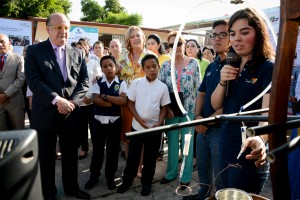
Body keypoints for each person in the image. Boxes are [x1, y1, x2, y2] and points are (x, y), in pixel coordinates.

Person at [25, 13, 90, 200]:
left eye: (67, 28)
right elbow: (34, 80)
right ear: (48, 29)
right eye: (58, 27)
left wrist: (71, 103)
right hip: (45, 113)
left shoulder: (77, 52)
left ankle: (72, 188)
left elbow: (84, 82)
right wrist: (56, 100)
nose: (63, 31)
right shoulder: (34, 51)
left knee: (70, 155)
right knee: (46, 157)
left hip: (70, 113)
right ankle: (48, 193)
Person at [211, 8, 274, 194]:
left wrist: (261, 138)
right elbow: (216, 105)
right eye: (232, 33)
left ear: (259, 34)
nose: (236, 38)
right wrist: (222, 81)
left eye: (244, 32)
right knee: (223, 192)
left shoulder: (268, 67)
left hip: (249, 149)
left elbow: (268, 114)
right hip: (226, 142)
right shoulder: (231, 62)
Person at [183, 19, 230, 200]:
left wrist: (206, 121)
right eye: (214, 35)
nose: (216, 39)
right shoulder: (212, 65)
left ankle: (218, 197)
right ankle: (203, 194)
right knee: (202, 165)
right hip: (202, 127)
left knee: (220, 172)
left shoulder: (235, 67)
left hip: (220, 130)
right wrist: (197, 117)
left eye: (223, 35)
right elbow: (201, 93)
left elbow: (231, 104)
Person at [117, 54, 170, 196]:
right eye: (148, 67)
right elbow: (130, 103)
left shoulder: (163, 87)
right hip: (138, 127)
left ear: (158, 67)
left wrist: (159, 122)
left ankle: (147, 183)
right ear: (143, 69)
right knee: (133, 156)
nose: (152, 69)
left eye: (154, 66)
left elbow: (164, 107)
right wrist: (139, 120)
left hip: (154, 129)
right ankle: (127, 181)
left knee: (150, 157)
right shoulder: (136, 83)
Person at [159, 31, 200, 187]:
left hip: (188, 110)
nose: (175, 46)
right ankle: (170, 174)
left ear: (183, 45)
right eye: (171, 44)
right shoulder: (164, 65)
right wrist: (165, 108)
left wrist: (197, 112)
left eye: (179, 43)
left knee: (187, 144)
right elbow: (161, 89)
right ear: (168, 47)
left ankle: (185, 176)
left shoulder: (193, 63)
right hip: (171, 110)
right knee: (172, 144)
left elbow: (199, 88)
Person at [84, 55, 127, 190]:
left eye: (111, 65)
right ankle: (94, 176)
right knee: (97, 150)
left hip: (114, 122)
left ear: (115, 66)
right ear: (101, 69)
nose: (108, 68)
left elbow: (123, 101)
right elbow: (94, 99)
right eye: (105, 66)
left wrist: (105, 97)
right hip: (98, 121)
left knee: (113, 151)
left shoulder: (122, 82)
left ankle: (110, 177)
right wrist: (112, 102)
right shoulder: (97, 83)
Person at [117, 26, 153, 160]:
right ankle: (129, 163)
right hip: (126, 102)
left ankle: (140, 166)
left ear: (143, 38)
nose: (135, 39)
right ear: (128, 40)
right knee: (127, 134)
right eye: (132, 37)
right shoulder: (122, 57)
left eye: (138, 36)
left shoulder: (150, 56)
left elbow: (155, 78)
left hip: (145, 102)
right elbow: (118, 77)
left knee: (142, 133)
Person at [75, 40, 103, 160]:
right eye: (77, 48)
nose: (80, 49)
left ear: (87, 48)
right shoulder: (73, 64)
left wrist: (90, 97)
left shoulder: (94, 63)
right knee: (81, 127)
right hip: (79, 102)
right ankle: (84, 148)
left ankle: (97, 148)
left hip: (92, 101)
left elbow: (98, 82)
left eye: (82, 47)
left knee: (94, 126)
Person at [0, 34, 25, 131]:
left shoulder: (18, 58)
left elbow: (20, 79)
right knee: (2, 134)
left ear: (9, 43)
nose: (0, 44)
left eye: (2, 42)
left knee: (18, 132)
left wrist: (5, 95)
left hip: (15, 103)